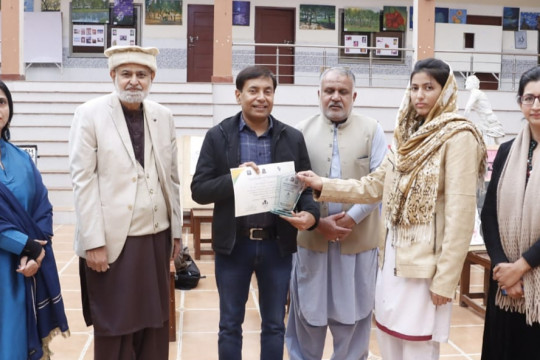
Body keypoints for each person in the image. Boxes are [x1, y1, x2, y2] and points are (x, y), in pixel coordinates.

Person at [297, 58, 487, 360]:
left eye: (429, 87)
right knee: (388, 341)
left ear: (446, 91)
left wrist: (446, 279)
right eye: (414, 87)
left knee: (418, 348)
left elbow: (460, 215)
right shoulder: (405, 137)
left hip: (424, 267)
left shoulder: (458, 136)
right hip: (392, 260)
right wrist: (323, 184)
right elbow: (373, 185)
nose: (419, 95)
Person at [190, 65, 320, 360]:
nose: (261, 98)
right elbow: (199, 189)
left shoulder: (292, 137)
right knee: (229, 325)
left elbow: (306, 190)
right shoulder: (219, 135)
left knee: (274, 325)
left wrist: (311, 217)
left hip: (277, 246)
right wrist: (235, 179)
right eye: (253, 91)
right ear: (238, 95)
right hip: (234, 246)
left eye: (268, 91)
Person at [69, 45, 182, 360]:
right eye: (126, 74)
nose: (134, 81)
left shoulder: (163, 116)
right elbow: (83, 181)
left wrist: (176, 234)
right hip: (112, 242)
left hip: (156, 238)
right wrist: (93, 241)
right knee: (115, 326)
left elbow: (171, 179)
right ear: (113, 75)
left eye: (142, 75)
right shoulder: (89, 114)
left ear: (152, 78)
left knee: (155, 325)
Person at [285, 67, 387, 360]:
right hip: (312, 242)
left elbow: (381, 183)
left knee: (354, 317)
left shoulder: (372, 129)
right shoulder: (299, 131)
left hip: (357, 243)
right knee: (307, 316)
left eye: (343, 92)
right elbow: (291, 188)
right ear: (319, 95)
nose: (335, 97)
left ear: (354, 96)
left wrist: (351, 218)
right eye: (329, 91)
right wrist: (318, 225)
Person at [0, 80, 69, 359]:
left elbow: (42, 205)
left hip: (21, 269)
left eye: (2, 102)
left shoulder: (20, 158)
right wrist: (28, 246)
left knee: (16, 340)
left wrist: (35, 253)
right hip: (13, 258)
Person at [480, 66, 540, 360]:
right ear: (520, 103)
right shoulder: (506, 151)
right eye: (529, 98)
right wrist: (505, 268)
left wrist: (523, 266)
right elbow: (488, 215)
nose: (536, 106)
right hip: (506, 285)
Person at [464, 74, 505, 145]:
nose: (465, 83)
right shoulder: (477, 93)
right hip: (484, 121)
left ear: (473, 84)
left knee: (498, 142)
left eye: (468, 82)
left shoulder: (475, 93)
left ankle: (509, 153)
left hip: (488, 121)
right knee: (481, 138)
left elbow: (467, 108)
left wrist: (464, 122)